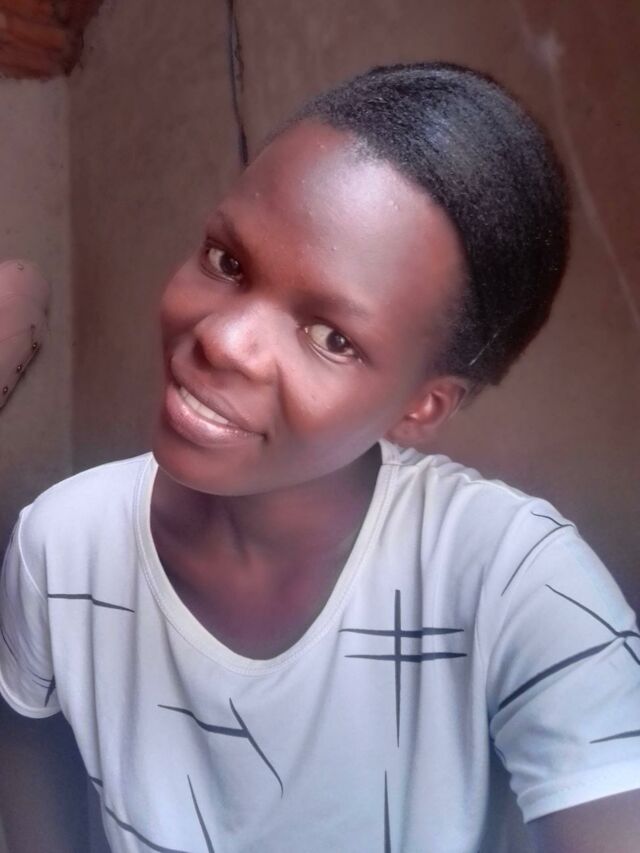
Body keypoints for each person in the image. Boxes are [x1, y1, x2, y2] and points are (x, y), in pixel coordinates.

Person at [0, 62, 639, 853]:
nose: (222, 339)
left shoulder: (515, 581)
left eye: (332, 337)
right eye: (227, 261)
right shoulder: (60, 545)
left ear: (421, 406)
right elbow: (27, 749)